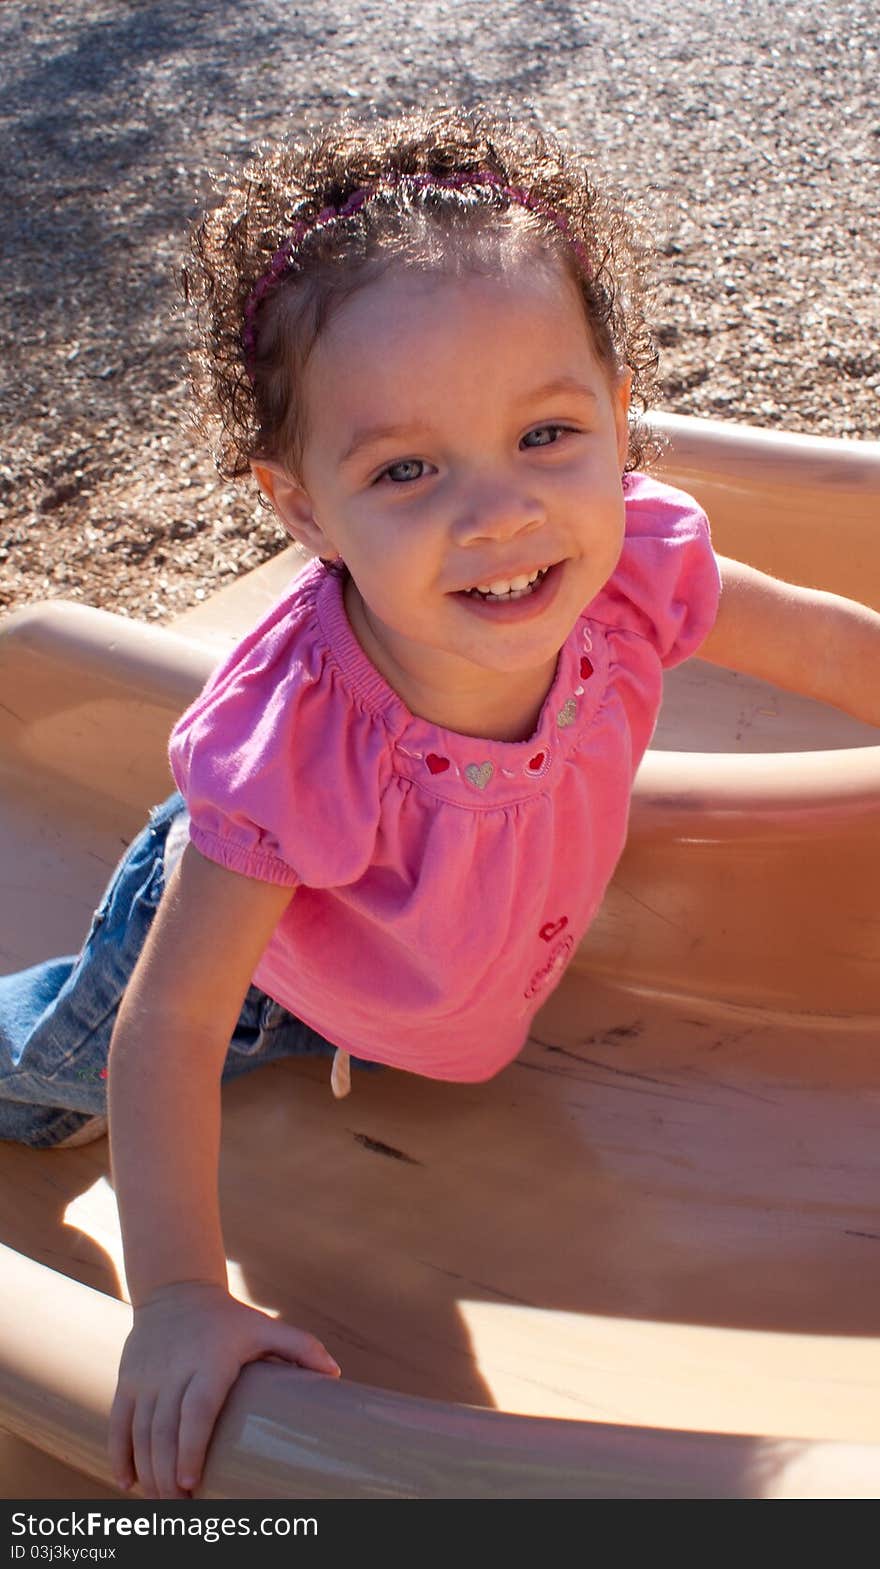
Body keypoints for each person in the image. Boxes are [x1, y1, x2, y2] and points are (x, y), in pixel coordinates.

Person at [1, 104, 878, 1501]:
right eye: (407, 469)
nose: (502, 514)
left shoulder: (641, 565)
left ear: (618, 406)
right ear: (300, 509)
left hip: (415, 966)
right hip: (260, 966)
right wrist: (173, 1296)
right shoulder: (299, 746)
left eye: (546, 432)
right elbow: (168, 1027)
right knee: (48, 1076)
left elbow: (832, 648)